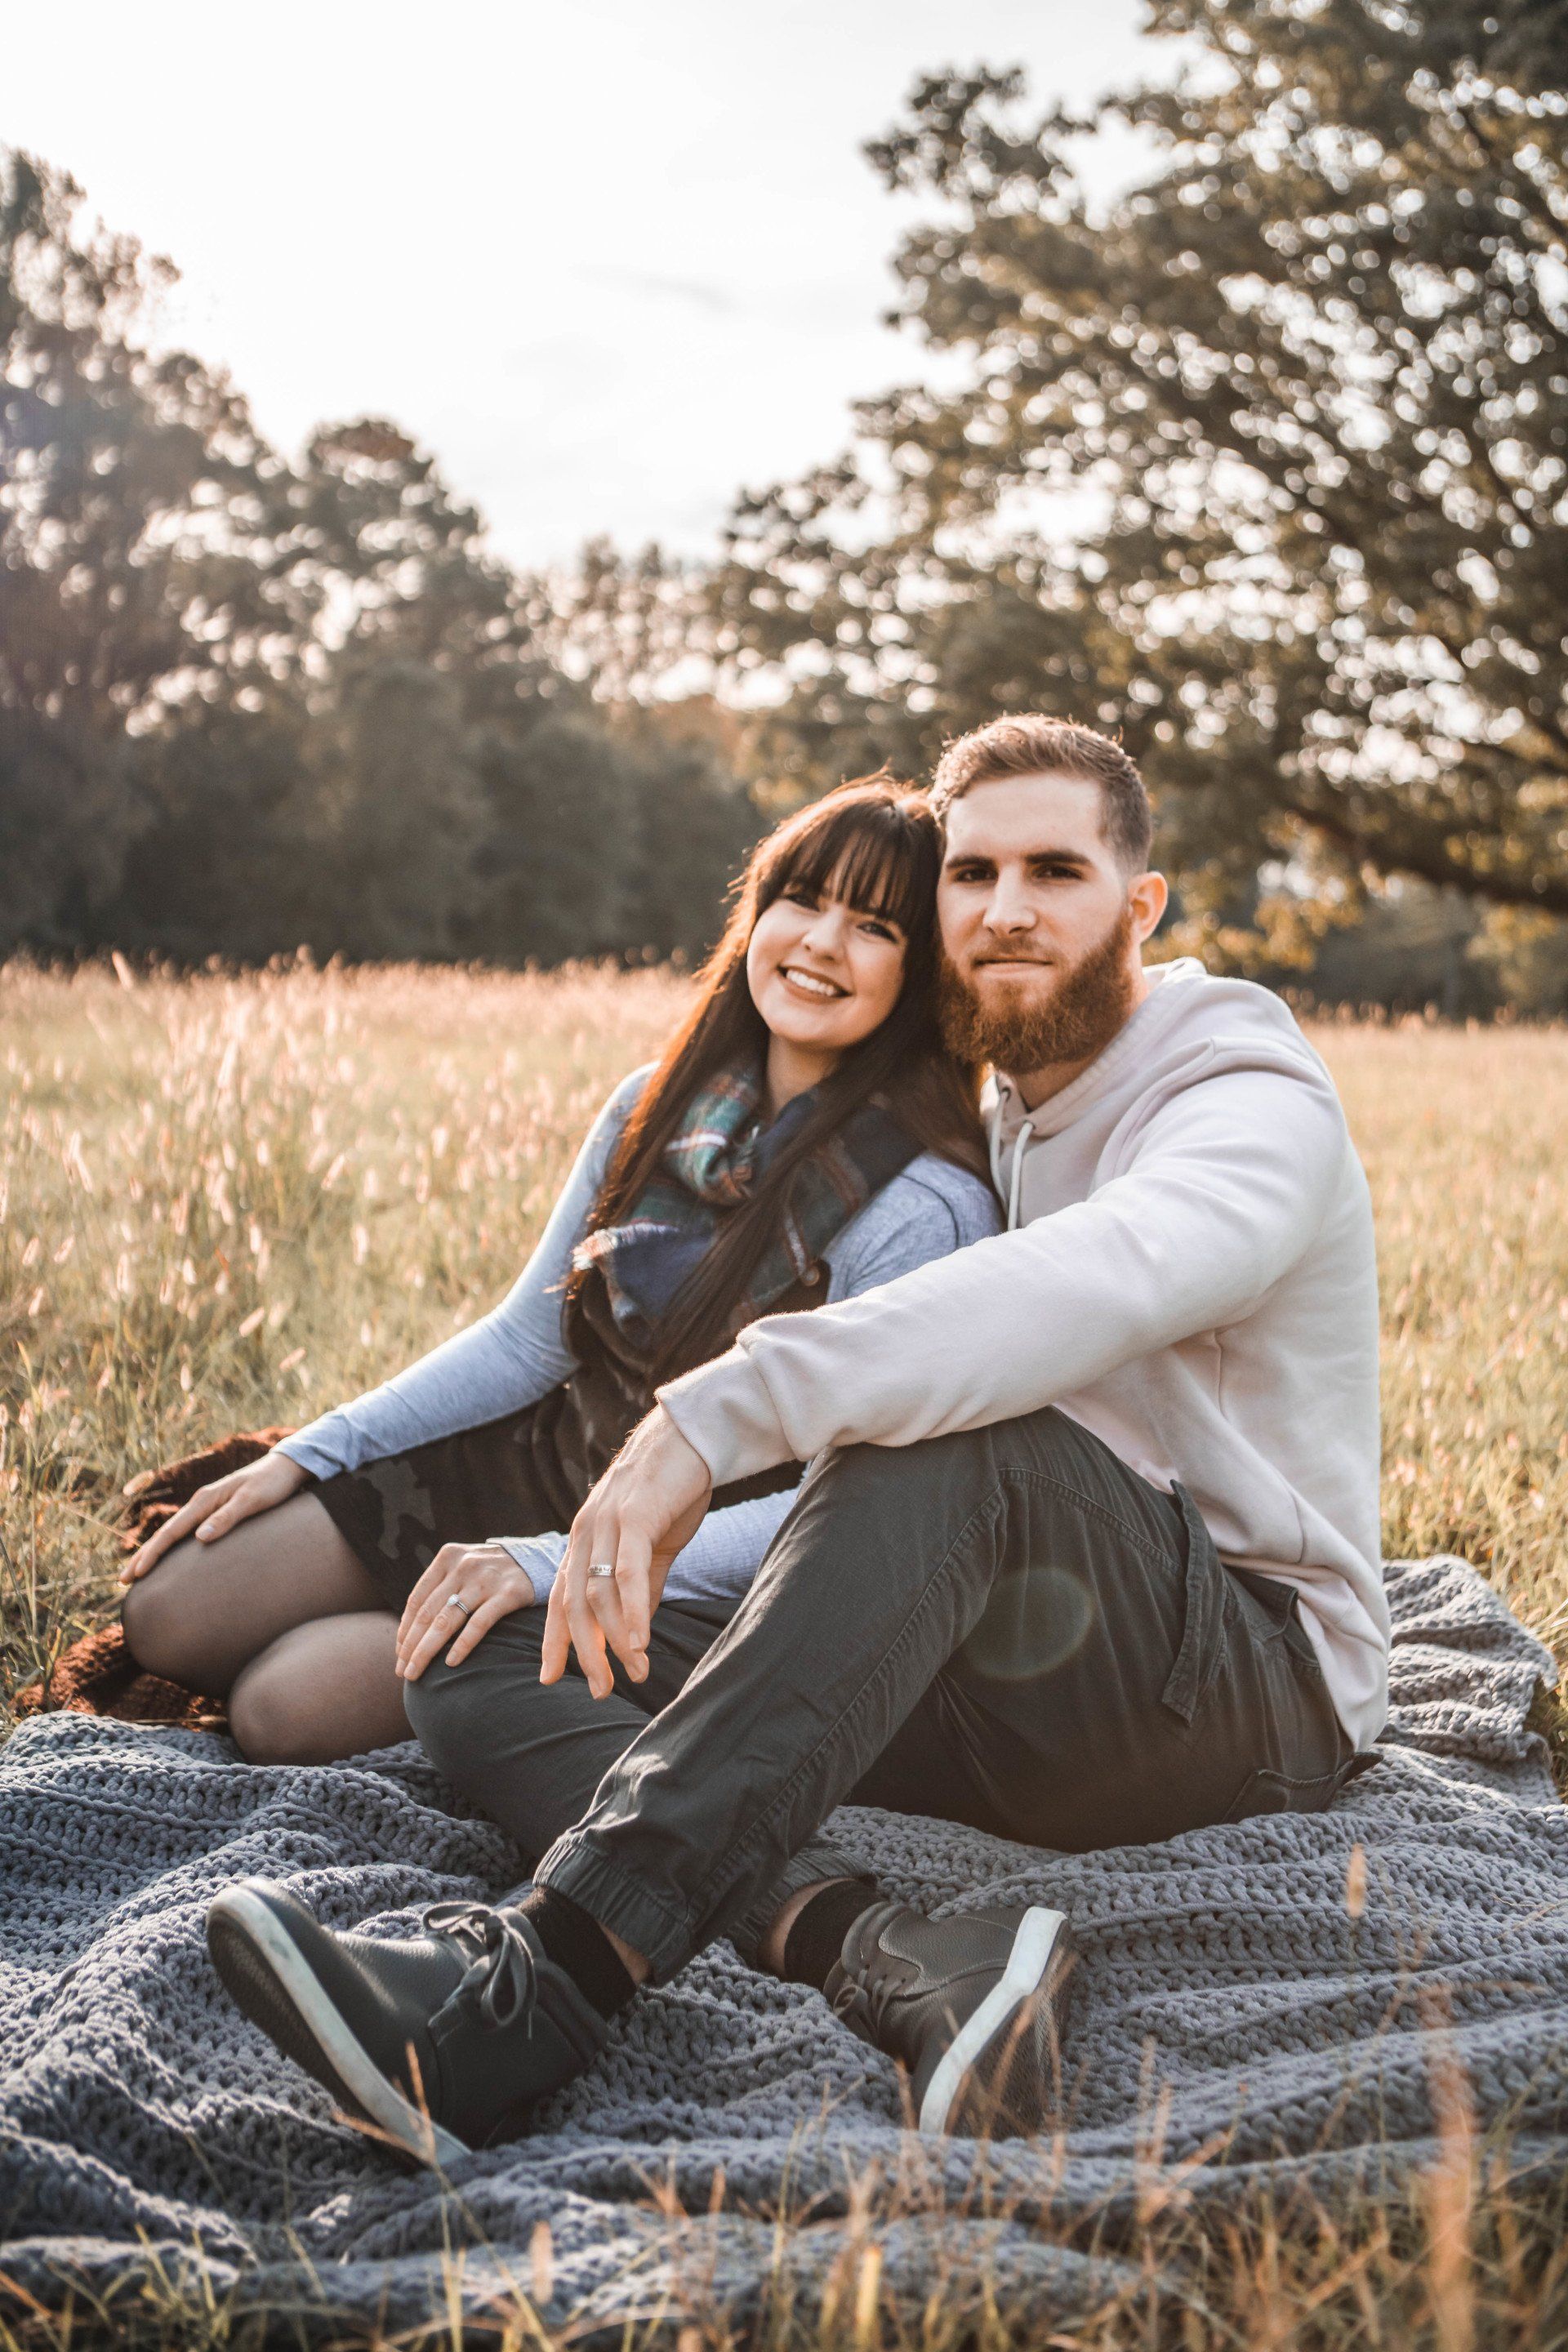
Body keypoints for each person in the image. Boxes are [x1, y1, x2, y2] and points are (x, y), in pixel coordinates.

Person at [205, 714, 1386, 2166]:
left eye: (1057, 871)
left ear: (1139, 906)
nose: (1008, 909)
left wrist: (710, 1416)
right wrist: (531, 1541)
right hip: (1003, 1654)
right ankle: (893, 1951)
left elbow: (1113, 1275)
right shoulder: (1009, 1093)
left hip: (1238, 1690)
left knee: (959, 1435)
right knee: (504, 1637)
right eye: (974, 874)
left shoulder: (1241, 1095)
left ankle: (530, 1993)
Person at [120, 777, 1001, 1772]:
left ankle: (465, 1672)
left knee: (282, 1707)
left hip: (676, 1555)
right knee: (170, 1614)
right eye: (803, 898)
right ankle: (405, 1593)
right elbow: (527, 1339)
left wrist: (553, 1568)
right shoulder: (655, 1105)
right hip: (540, 1463)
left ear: (923, 971)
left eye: (876, 925)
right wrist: (314, 1454)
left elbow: (846, 1508)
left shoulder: (920, 1207)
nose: (822, 942)